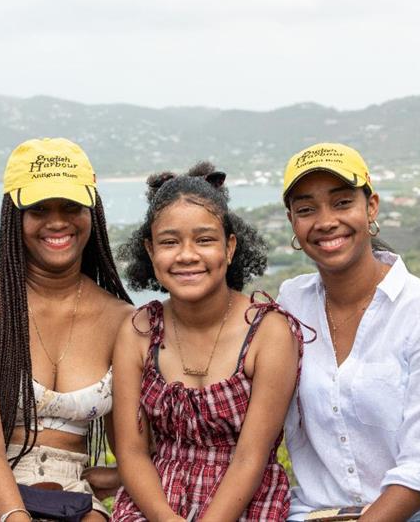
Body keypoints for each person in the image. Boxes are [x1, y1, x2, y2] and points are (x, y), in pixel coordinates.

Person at [0, 138, 133, 522]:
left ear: (92, 213)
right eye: (39, 209)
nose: (57, 221)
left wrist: (119, 476)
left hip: (70, 492)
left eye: (71, 207)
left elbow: (130, 444)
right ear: (15, 216)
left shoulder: (123, 319)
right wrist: (15, 516)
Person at [277, 143, 420, 521]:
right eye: (306, 209)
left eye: (341, 203)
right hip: (314, 513)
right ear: (292, 222)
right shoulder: (290, 305)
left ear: (371, 208)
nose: (325, 221)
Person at [110, 163, 308, 521]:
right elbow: (131, 451)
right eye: (170, 242)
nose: (187, 255)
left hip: (243, 503)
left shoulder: (268, 332)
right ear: (150, 250)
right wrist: (165, 518)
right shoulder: (138, 331)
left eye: (204, 240)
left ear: (230, 247)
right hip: (155, 504)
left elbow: (252, 456)